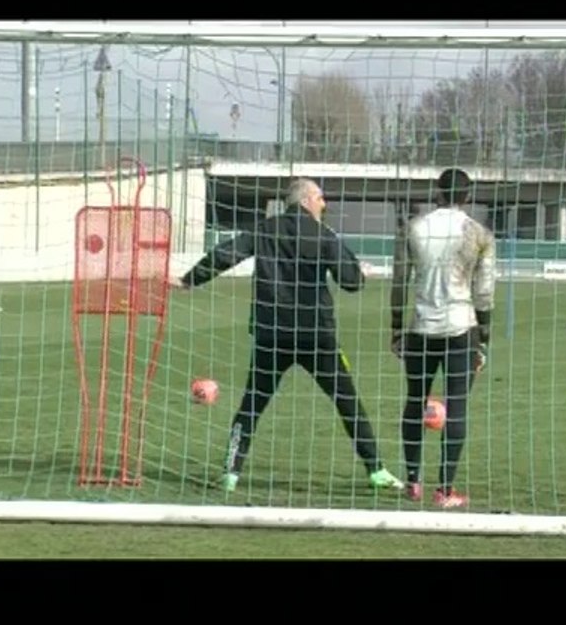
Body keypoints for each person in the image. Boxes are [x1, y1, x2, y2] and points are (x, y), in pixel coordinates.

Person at [171, 178, 404, 494]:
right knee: (347, 401)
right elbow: (350, 282)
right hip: (316, 335)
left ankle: (230, 473)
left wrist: (189, 280)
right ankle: (375, 470)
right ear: (307, 199)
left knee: (251, 405)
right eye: (321, 197)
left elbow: (226, 254)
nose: (325, 204)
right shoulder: (325, 236)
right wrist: (359, 272)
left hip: (271, 334)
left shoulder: (266, 229)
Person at [390, 167, 496, 508]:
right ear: (468, 195)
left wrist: (396, 328)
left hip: (421, 328)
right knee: (457, 406)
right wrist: (484, 337)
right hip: (460, 328)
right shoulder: (479, 234)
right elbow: (484, 291)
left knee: (414, 401)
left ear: (437, 192)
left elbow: (399, 283)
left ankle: (412, 481)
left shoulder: (413, 228)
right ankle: (445, 489)